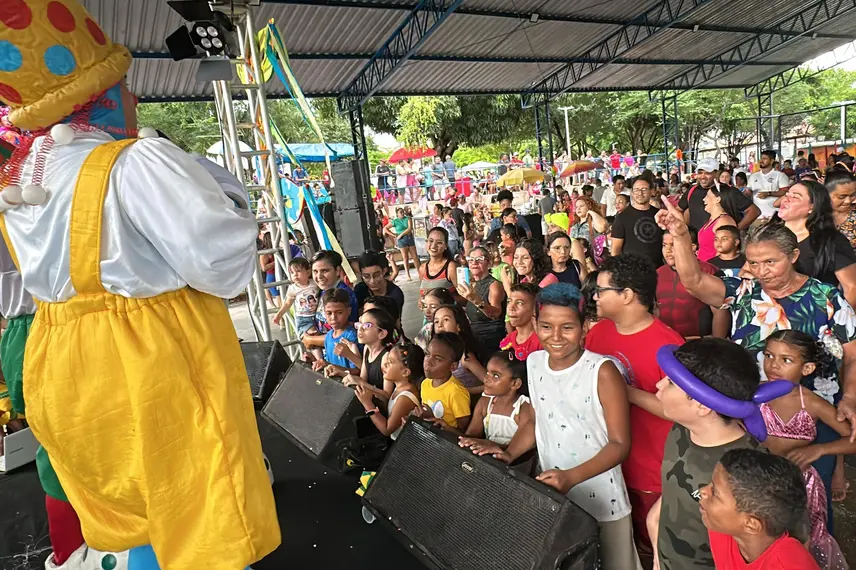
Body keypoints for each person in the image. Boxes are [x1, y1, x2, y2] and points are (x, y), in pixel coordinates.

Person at [0, 4, 279, 566]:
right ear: (101, 95)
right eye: (126, 87)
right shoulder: (136, 162)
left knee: (127, 520)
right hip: (153, 365)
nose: (134, 100)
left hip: (66, 366)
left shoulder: (20, 184)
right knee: (199, 519)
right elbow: (226, 264)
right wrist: (200, 172)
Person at [655, 203, 856, 437]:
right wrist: (679, 236)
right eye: (753, 263)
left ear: (793, 255)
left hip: (814, 417)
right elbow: (694, 282)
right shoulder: (743, 292)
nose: (761, 272)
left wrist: (850, 396)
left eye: (770, 262)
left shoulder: (826, 297)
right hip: (752, 414)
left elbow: (852, 354)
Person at [528, 283, 642, 570]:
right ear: (535, 325)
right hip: (558, 495)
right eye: (546, 326)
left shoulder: (602, 371)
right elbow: (538, 418)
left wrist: (571, 477)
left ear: (584, 328)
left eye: (567, 327)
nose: (555, 337)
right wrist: (505, 451)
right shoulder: (534, 363)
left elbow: (620, 444)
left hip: (603, 499)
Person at [584, 253, 685, 552]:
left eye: (601, 291)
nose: (594, 297)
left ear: (626, 295)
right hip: (606, 462)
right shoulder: (599, 332)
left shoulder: (668, 345)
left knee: (657, 545)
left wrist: (623, 391)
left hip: (651, 469)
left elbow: (677, 410)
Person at [648, 339, 765, 570]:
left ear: (702, 406)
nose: (659, 385)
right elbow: (677, 485)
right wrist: (655, 528)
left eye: (670, 382)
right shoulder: (683, 429)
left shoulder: (747, 472)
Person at [760, 331, 851, 569]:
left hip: (801, 488)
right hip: (760, 482)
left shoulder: (811, 403)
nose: (773, 365)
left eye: (785, 360)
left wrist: (820, 450)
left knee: (802, 541)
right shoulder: (754, 394)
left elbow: (852, 438)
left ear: (807, 369)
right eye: (768, 355)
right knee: (764, 537)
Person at [700, 449, 821, 570]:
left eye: (715, 492)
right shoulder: (721, 527)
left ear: (751, 524)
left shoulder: (790, 566)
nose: (702, 491)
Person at [776, 180, 856, 309]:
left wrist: (839, 320)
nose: (786, 200)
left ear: (812, 207)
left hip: (814, 315)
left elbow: (852, 287)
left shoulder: (830, 240)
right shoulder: (769, 235)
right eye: (787, 195)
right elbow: (747, 271)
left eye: (795, 197)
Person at [458, 352, 534, 459]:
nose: (486, 378)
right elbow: (471, 436)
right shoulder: (485, 402)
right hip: (489, 460)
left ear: (515, 384)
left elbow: (517, 451)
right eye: (488, 372)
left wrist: (494, 446)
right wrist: (446, 429)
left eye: (496, 375)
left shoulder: (523, 408)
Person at [657, 232, 730, 339]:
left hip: (700, 343)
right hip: (665, 341)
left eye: (673, 245)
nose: (668, 250)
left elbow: (721, 311)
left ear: (692, 247)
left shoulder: (710, 271)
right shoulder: (658, 273)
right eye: (664, 245)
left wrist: (717, 344)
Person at [356, 342, 424, 440]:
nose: (385, 364)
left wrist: (368, 404)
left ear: (405, 372)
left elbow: (387, 429)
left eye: (390, 362)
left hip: (400, 446)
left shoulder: (405, 398)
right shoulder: (399, 387)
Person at [679, 158, 758, 232]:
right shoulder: (692, 190)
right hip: (698, 244)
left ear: (716, 173)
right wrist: (685, 230)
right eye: (700, 173)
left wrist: (734, 231)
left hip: (722, 245)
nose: (702, 176)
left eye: (707, 173)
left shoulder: (728, 191)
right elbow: (679, 210)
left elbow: (754, 211)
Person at [456, 246, 507, 357]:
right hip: (474, 336)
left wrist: (476, 300)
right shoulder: (472, 284)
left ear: (489, 263)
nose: (474, 262)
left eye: (479, 259)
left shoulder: (494, 285)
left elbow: (495, 313)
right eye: (471, 259)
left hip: (490, 338)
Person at [418, 332, 472, 430]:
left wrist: (442, 425)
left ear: (453, 366)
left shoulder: (456, 392)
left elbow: (464, 430)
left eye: (437, 359)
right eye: (427, 354)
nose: (428, 362)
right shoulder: (425, 384)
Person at [432, 304, 487, 395]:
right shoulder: (433, 353)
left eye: (446, 320)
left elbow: (491, 383)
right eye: (436, 322)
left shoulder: (465, 357)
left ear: (458, 326)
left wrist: (463, 392)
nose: (440, 325)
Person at [611, 177, 664, 267]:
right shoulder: (621, 217)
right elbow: (615, 250)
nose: (640, 193)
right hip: (632, 272)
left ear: (651, 191)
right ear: (632, 192)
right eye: (636, 190)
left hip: (658, 269)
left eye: (644, 189)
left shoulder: (659, 214)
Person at [312, 288, 362, 376]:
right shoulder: (328, 336)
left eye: (339, 312)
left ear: (348, 311)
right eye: (329, 313)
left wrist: (329, 366)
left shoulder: (352, 337)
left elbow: (358, 371)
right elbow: (328, 363)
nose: (333, 317)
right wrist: (313, 360)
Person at [272, 256, 320, 337]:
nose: (295, 275)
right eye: (292, 273)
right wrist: (279, 315)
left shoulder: (315, 284)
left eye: (298, 271)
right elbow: (287, 303)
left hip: (317, 315)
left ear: (308, 272)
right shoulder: (293, 288)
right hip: (303, 319)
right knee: (313, 335)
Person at [499, 283, 542, 363]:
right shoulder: (508, 341)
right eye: (509, 301)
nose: (511, 308)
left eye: (519, 303)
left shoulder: (543, 342)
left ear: (535, 309)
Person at [697, 187, 739, 262]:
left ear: (717, 199)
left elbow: (725, 252)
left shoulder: (724, 221)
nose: (704, 199)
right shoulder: (712, 219)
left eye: (707, 196)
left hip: (713, 269)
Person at [749, 149, 791, 222]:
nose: (761, 161)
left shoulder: (780, 175)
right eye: (761, 158)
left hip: (774, 216)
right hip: (757, 216)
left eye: (764, 159)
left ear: (772, 161)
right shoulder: (753, 176)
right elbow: (749, 192)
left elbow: (785, 192)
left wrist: (769, 193)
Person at [419, 226, 459, 300]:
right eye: (431, 241)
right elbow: (422, 296)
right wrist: (421, 300)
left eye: (439, 242)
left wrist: (439, 298)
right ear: (426, 242)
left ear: (446, 246)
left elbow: (465, 298)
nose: (434, 246)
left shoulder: (451, 267)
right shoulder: (422, 268)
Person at [413, 287, 456, 352]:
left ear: (446, 306)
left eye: (433, 307)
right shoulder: (427, 329)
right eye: (425, 306)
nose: (427, 311)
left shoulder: (457, 327)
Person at [384, 207, 421, 281]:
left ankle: (420, 273)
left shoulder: (408, 218)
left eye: (403, 212)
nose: (402, 213)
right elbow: (385, 228)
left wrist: (401, 234)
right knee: (405, 257)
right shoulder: (395, 221)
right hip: (401, 240)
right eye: (400, 212)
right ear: (397, 214)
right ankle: (408, 275)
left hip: (408, 237)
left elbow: (410, 228)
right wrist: (393, 235)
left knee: (415, 257)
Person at [825, 168, 856, 249]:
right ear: (826, 194)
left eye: (852, 195)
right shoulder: (815, 216)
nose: (848, 201)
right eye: (842, 196)